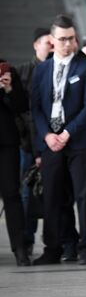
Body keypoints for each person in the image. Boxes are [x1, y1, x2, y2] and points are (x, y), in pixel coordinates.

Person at [31, 15, 86, 265]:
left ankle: (85, 247)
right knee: (53, 196)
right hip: (50, 142)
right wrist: (47, 136)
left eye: (71, 38)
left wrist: (67, 133)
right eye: (62, 39)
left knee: (83, 195)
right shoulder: (42, 69)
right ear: (51, 41)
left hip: (78, 141)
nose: (68, 44)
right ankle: (55, 247)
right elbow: (35, 107)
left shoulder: (85, 67)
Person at [17, 27, 52, 255]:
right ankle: (26, 238)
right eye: (46, 42)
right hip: (27, 143)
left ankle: (52, 241)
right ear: (35, 45)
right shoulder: (23, 72)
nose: (50, 46)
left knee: (50, 192)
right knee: (27, 192)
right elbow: (21, 110)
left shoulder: (56, 69)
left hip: (51, 140)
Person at [0, 58, 31, 266]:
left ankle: (20, 248)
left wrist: (9, 88)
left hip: (6, 143)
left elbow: (22, 105)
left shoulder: (8, 69)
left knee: (12, 194)